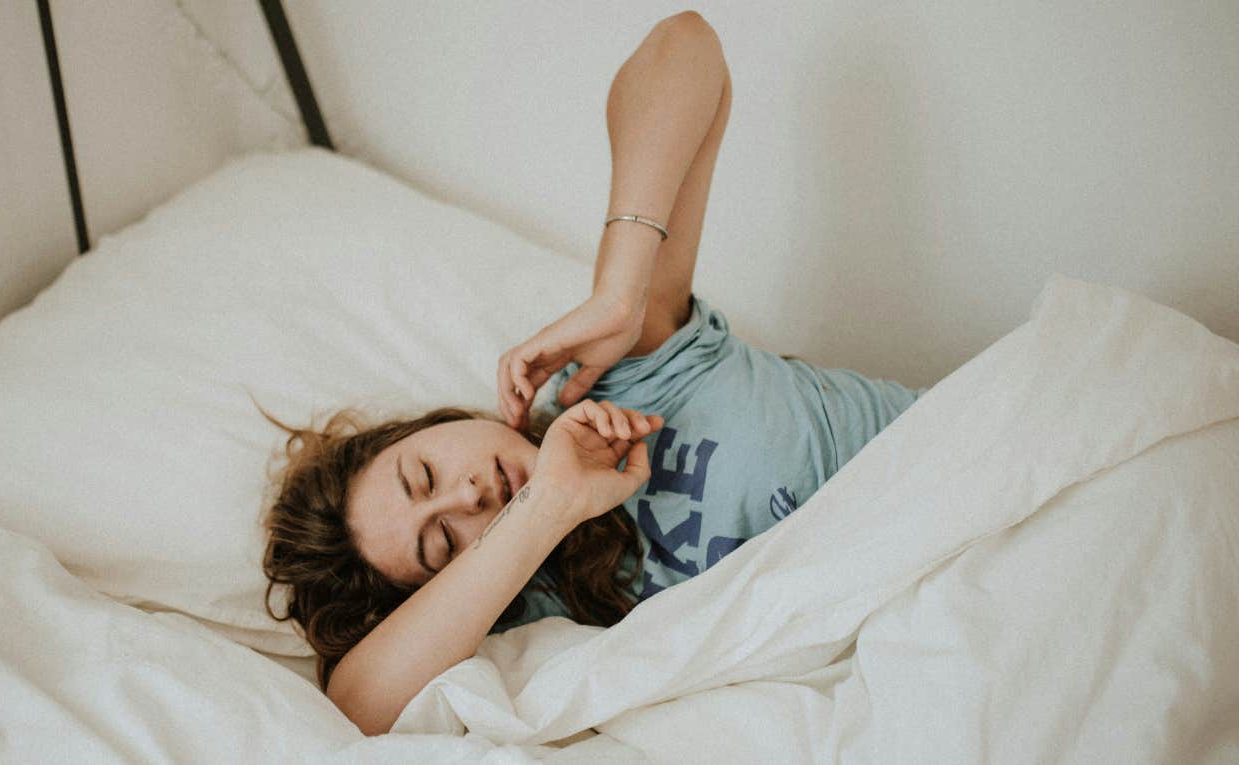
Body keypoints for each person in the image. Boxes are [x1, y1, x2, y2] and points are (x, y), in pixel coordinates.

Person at [261, 11, 923, 736]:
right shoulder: (546, 615)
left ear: (439, 425)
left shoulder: (623, 374)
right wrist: (547, 506)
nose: (469, 493)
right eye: (444, 541)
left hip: (964, 469)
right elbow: (358, 705)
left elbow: (688, 47)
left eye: (425, 473)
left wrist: (621, 289)